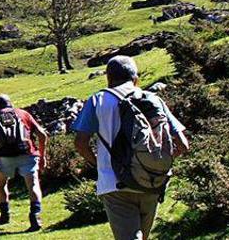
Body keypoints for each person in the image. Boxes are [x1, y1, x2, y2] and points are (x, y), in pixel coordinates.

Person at [73, 56, 189, 240]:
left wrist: (99, 165)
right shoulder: (153, 99)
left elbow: (80, 143)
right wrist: (157, 162)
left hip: (115, 184)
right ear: (136, 78)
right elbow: (183, 144)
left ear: (109, 79)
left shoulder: (98, 100)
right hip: (152, 181)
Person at [0, 94, 48, 231]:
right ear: (10, 103)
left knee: (1, 184)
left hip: (3, 157)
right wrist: (42, 156)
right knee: (33, 184)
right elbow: (42, 134)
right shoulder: (23, 113)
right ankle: (35, 216)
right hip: (27, 154)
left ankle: (4, 215)